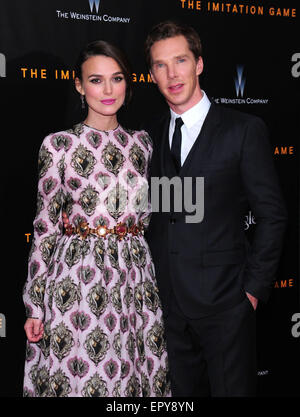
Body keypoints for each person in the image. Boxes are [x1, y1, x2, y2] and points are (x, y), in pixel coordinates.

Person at [142, 21, 287, 397]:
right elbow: (159, 212)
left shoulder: (243, 130)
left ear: (199, 64)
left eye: (180, 60)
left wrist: (252, 291)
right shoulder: (150, 136)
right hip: (167, 309)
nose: (172, 74)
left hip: (226, 308)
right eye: (160, 65)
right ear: (152, 74)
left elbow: (272, 215)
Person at [22, 40, 170, 397]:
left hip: (134, 278)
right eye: (96, 80)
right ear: (78, 85)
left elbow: (164, 210)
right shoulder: (58, 145)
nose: (107, 90)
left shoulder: (145, 144)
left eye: (116, 79)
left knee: (135, 380)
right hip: (77, 281)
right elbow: (44, 227)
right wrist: (35, 305)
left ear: (128, 84)